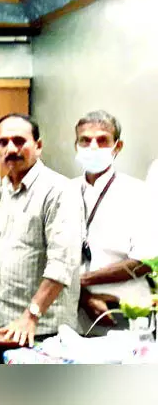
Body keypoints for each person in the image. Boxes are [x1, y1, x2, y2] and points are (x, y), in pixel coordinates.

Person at [0, 114, 83, 346]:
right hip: (7, 326)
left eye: (19, 141)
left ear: (38, 146)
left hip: (45, 329)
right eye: (3, 142)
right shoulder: (2, 191)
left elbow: (63, 263)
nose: (11, 149)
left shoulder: (59, 190)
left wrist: (32, 314)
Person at [71, 111, 157, 335]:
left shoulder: (139, 193)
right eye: (85, 140)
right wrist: (83, 296)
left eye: (102, 140)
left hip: (124, 309)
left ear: (118, 146)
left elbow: (146, 261)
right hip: (76, 308)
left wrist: (79, 281)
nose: (93, 147)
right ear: (76, 146)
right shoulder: (64, 191)